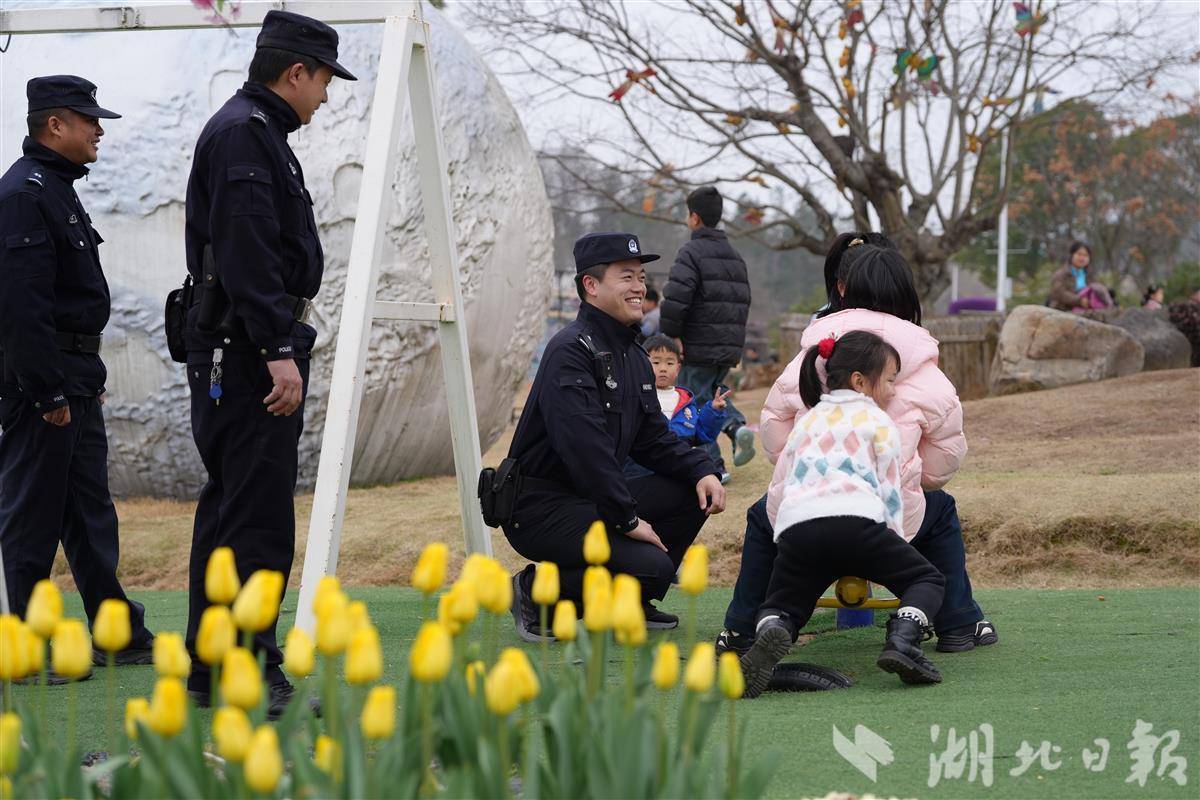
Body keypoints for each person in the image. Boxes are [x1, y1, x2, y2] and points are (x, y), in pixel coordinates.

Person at [181, 11, 356, 716]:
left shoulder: (254, 132)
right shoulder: (246, 135)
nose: (325, 96)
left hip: (238, 344)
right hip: (249, 350)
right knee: (255, 518)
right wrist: (277, 349)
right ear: (296, 72)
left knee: (230, 509)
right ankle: (247, 668)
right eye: (323, 81)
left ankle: (212, 667)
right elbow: (248, 254)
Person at [716, 236, 997, 656]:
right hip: (882, 531)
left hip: (803, 526)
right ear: (907, 296)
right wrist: (910, 475)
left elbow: (775, 437)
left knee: (763, 515)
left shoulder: (810, 358)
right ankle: (957, 622)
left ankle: (742, 629)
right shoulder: (927, 373)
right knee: (940, 511)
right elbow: (941, 465)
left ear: (841, 289)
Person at [0, 76, 155, 675]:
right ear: (55, 124)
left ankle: (118, 634)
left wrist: (81, 379)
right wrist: (47, 390)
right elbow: (22, 306)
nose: (99, 131)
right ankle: (18, 646)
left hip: (74, 376)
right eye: (90, 120)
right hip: (44, 383)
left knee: (90, 514)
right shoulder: (24, 193)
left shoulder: (55, 188)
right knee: (32, 516)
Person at [502, 232, 726, 640]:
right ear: (591, 285)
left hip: (592, 498)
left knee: (692, 492)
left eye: (641, 277)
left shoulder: (633, 355)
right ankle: (535, 593)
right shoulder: (570, 351)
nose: (639, 287)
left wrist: (701, 469)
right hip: (540, 507)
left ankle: (631, 599)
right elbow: (584, 449)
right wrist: (627, 518)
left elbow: (653, 439)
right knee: (652, 566)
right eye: (626, 276)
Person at [739, 330, 945, 696]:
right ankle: (903, 639)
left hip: (798, 527)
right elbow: (890, 488)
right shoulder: (877, 421)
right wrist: (894, 540)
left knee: (784, 602)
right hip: (856, 522)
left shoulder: (807, 422)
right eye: (890, 380)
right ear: (860, 381)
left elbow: (781, 482)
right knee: (926, 580)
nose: (894, 391)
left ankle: (774, 629)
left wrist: (781, 534)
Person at [659, 186, 755, 479]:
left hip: (697, 343)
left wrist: (672, 334)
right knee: (713, 394)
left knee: (695, 401)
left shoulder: (691, 252)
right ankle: (736, 428)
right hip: (727, 344)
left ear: (695, 218)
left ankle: (713, 467)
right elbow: (744, 299)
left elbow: (676, 297)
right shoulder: (734, 256)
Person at [623, 334, 730, 480]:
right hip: (641, 473)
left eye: (669, 363)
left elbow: (701, 433)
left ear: (678, 368)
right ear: (642, 364)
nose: (663, 369)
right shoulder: (636, 395)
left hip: (678, 470)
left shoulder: (685, 400)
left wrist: (713, 411)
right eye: (656, 362)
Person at [1049, 240, 1113, 312]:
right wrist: (1079, 301)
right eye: (1079, 254)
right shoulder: (1061, 274)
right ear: (1072, 255)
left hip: (1087, 311)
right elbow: (1059, 294)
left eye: (1085, 255)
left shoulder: (1091, 275)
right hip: (1063, 310)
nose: (1082, 258)